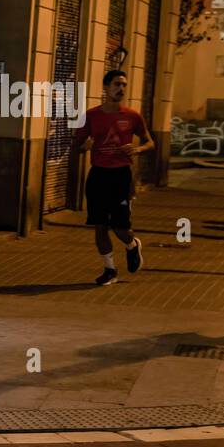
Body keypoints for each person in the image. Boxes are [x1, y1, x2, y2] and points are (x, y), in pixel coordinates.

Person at [73, 69, 153, 286]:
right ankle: (110, 270)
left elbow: (150, 142)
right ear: (106, 88)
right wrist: (84, 146)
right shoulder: (90, 116)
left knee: (120, 227)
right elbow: (76, 145)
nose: (121, 89)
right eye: (117, 84)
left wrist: (137, 149)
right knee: (100, 226)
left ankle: (132, 245)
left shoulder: (132, 116)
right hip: (98, 175)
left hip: (121, 176)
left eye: (124, 85)